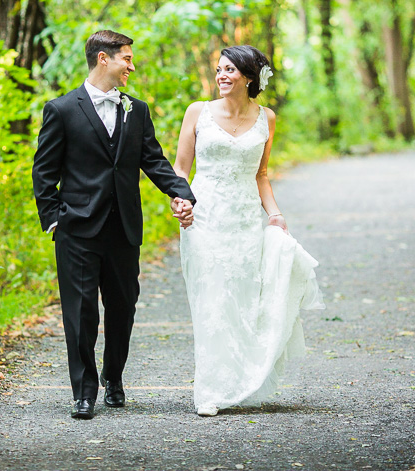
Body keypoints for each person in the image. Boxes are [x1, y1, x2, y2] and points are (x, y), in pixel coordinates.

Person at [32, 30, 196, 420]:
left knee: (122, 308)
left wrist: (183, 193)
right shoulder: (62, 109)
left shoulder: (136, 110)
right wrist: (54, 219)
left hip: (123, 227)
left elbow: (153, 160)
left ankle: (113, 376)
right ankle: (84, 391)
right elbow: (44, 172)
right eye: (126, 58)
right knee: (81, 311)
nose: (131, 66)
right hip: (76, 230)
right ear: (103, 59)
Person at [173, 45, 325, 416]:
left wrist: (276, 215)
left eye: (230, 70)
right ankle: (209, 390)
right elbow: (179, 168)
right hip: (204, 217)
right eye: (219, 70)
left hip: (244, 222)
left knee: (241, 299)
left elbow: (261, 175)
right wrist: (181, 200)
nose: (221, 76)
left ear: (249, 77)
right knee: (211, 297)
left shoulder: (267, 119)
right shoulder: (198, 112)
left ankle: (239, 379)